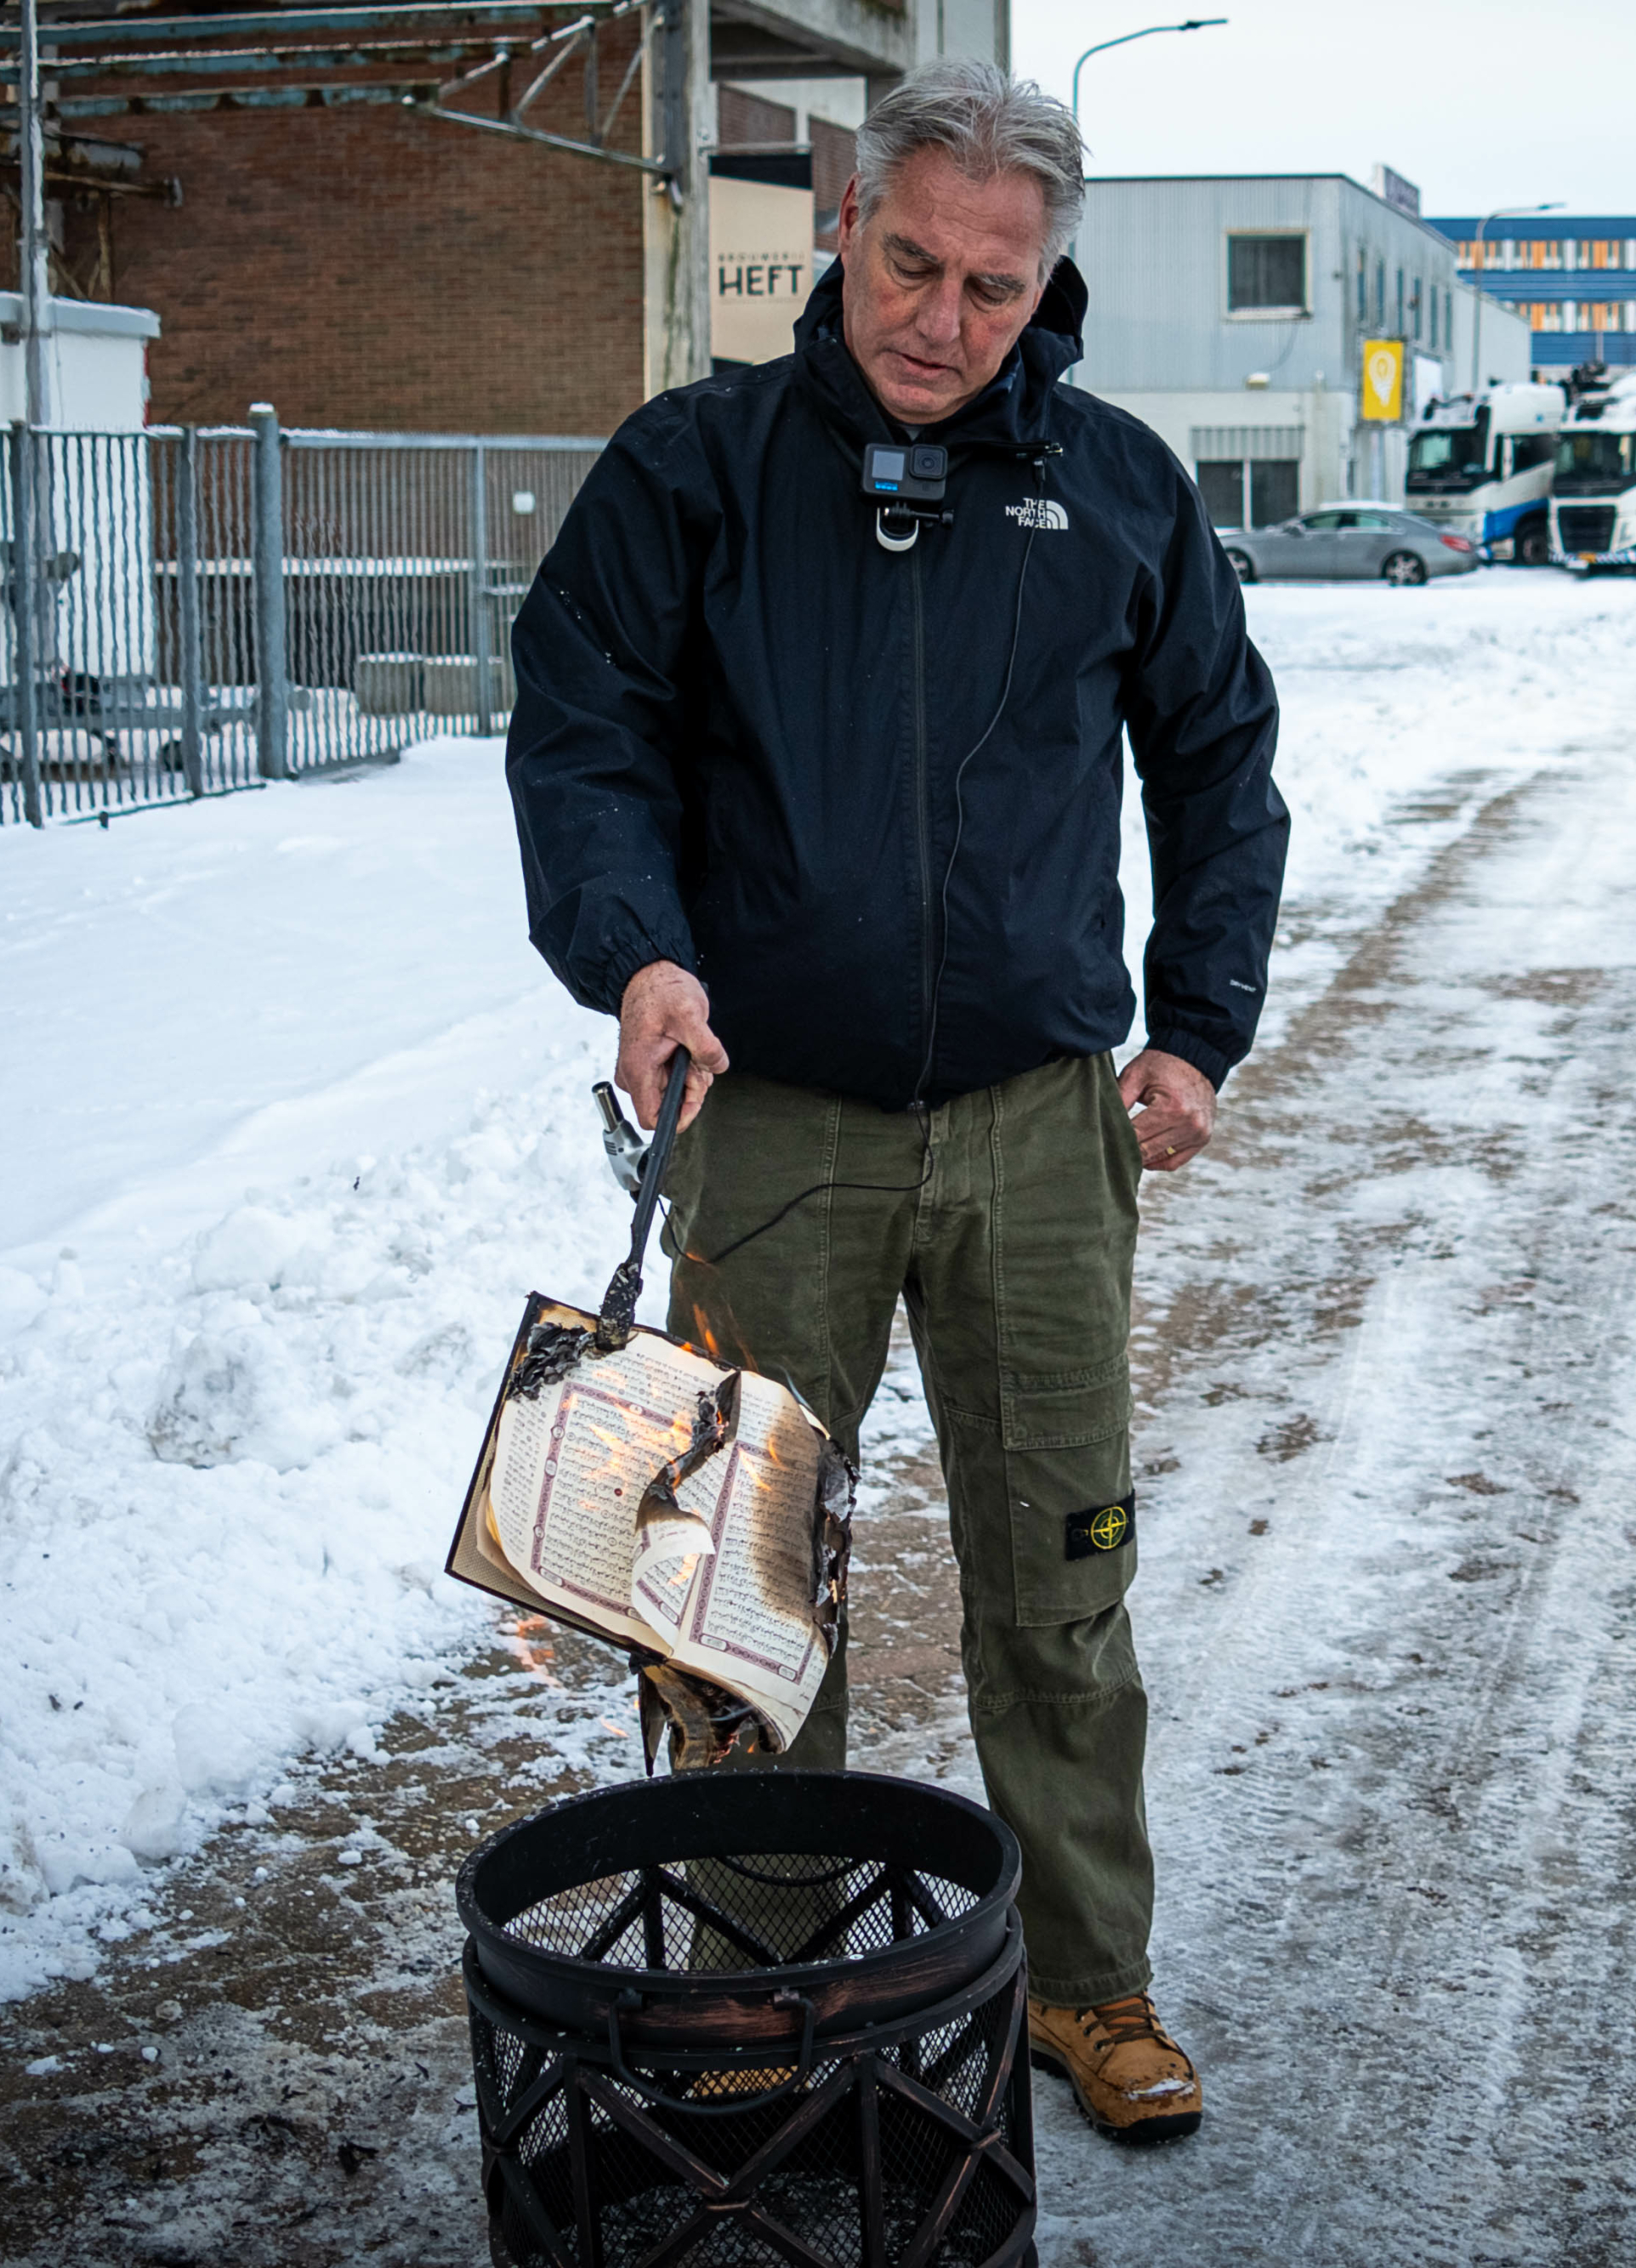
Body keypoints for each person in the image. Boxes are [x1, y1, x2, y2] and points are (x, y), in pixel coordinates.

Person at [503, 58, 1285, 2148]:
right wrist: (637, 952)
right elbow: (581, 736)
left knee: (1063, 1563)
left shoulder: (1116, 489)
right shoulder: (696, 470)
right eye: (912, 262)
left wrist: (1193, 1028)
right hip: (775, 1124)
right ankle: (767, 2001)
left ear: (1050, 285)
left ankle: (1090, 1982)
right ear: (845, 224)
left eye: (996, 288)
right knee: (750, 1589)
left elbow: (1219, 763)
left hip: (1042, 1127)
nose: (943, 320)